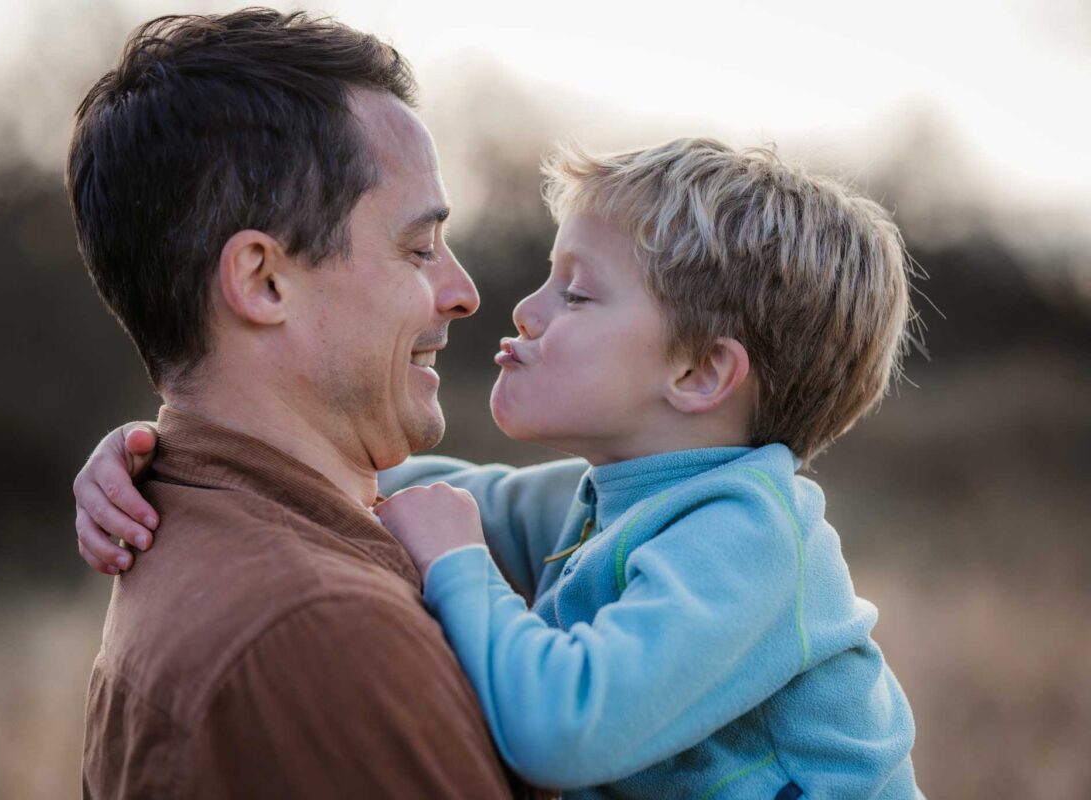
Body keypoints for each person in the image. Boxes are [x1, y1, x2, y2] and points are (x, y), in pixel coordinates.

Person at [80, 139, 925, 797]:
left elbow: (565, 731)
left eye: (578, 294)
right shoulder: (614, 499)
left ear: (699, 374)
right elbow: (399, 490)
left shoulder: (752, 540)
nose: (522, 308)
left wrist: (460, 567)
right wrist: (169, 443)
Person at [66, 9, 540, 798]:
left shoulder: (193, 515)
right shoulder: (320, 634)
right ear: (262, 280)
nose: (463, 292)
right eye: (418, 248)